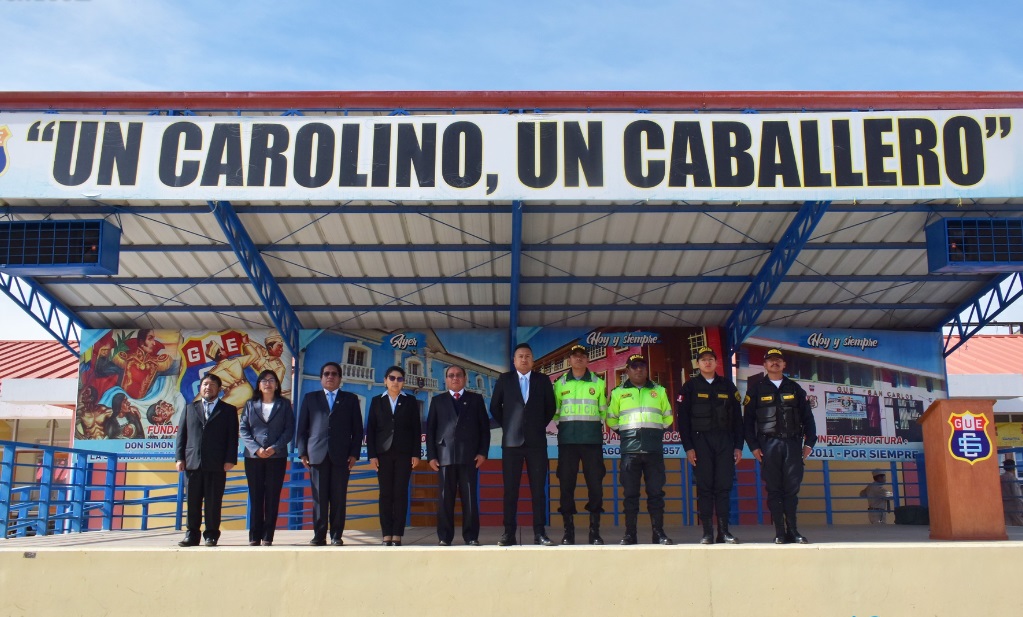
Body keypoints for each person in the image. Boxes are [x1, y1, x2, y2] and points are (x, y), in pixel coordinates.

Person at [743, 348, 817, 544]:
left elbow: (808, 418)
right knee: (774, 489)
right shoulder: (756, 389)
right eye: (770, 360)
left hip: (792, 444)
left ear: (784, 364)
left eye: (778, 360)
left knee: (791, 489)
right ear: (765, 365)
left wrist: (810, 442)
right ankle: (780, 533)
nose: (774, 363)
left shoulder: (795, 389)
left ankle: (793, 531)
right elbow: (747, 422)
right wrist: (753, 446)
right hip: (768, 445)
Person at [490, 343, 557, 546]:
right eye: (520, 356)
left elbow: (550, 408)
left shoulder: (542, 380)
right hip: (511, 444)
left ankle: (540, 533)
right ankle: (508, 534)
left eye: (528, 356)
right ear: (514, 360)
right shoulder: (505, 380)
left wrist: (535, 426)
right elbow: (495, 407)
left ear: (533, 359)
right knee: (511, 490)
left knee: (538, 490)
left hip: (536, 443)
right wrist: (510, 426)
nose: (524, 359)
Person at [677, 346, 743, 544]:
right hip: (700, 442)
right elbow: (683, 421)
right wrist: (688, 447)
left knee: (723, 487)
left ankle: (724, 531)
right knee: (705, 488)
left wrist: (738, 445)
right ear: (698, 364)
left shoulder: (728, 387)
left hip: (724, 441)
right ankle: (707, 532)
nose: (707, 362)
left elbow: (738, 420)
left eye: (711, 359)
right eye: (703, 359)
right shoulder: (689, 387)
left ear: (716, 363)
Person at [607, 354, 675, 545]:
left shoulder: (659, 391)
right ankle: (630, 534)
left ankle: (658, 533)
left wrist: (652, 433)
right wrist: (628, 434)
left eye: (642, 366)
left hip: (653, 450)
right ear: (627, 370)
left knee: (656, 494)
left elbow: (668, 418)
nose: (639, 369)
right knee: (630, 495)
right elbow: (611, 419)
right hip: (630, 451)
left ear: (647, 369)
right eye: (634, 366)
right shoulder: (618, 392)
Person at [296, 362, 364, 546]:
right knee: (319, 499)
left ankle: (336, 535)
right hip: (316, 456)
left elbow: (357, 430)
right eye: (326, 373)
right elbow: (302, 428)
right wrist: (302, 452)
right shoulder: (311, 398)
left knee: (339, 498)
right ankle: (319, 536)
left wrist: (354, 454)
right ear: (321, 378)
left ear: (340, 378)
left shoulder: (350, 399)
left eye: (334, 374)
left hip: (342, 456)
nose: (330, 376)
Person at [426, 364, 491, 546]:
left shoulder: (476, 399)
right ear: (446, 379)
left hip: (469, 457)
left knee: (470, 499)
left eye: (458, 375)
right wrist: (431, 456)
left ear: (465, 378)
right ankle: (444, 537)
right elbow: (430, 430)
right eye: (451, 375)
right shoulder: (438, 401)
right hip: (444, 457)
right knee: (445, 499)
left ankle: (471, 536)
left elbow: (484, 429)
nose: (455, 378)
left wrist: (482, 453)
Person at [552, 344, 607, 545]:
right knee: (566, 486)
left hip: (592, 442)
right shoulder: (560, 384)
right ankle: (569, 532)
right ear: (569, 360)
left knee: (595, 486)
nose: (579, 359)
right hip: (567, 442)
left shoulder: (598, 382)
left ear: (587, 359)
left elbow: (603, 412)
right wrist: (566, 428)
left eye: (582, 356)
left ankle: (595, 532)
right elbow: (555, 412)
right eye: (575, 356)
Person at [175, 374, 238, 547]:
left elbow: (232, 438)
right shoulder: (190, 408)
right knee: (193, 501)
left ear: (219, 389)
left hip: (216, 463)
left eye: (211, 385)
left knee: (213, 501)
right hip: (192, 462)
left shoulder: (228, 410)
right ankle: (192, 535)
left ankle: (211, 535)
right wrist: (179, 458)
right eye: (204, 384)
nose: (207, 387)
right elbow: (182, 436)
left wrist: (230, 459)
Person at [366, 366, 422, 546]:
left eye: (399, 378)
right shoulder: (376, 401)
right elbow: (371, 429)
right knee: (385, 494)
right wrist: (372, 455)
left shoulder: (410, 401)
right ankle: (386, 534)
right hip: (383, 454)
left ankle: (397, 533)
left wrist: (415, 453)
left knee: (400, 493)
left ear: (403, 382)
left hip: (404, 454)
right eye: (392, 378)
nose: (395, 381)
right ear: (385, 380)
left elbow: (416, 429)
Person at [239, 369, 294, 546]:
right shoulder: (250, 404)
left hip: (276, 457)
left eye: (271, 380)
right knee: (256, 496)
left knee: (272, 496)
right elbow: (243, 429)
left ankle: (268, 536)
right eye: (264, 380)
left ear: (276, 385)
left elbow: (289, 430)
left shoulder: (284, 404)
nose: (267, 383)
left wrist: (275, 448)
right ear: (259, 385)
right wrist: (256, 449)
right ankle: (254, 536)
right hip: (254, 457)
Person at [1000, 459, 1023, 526]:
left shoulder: (1000, 478)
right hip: (1014, 504)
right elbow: (1016, 493)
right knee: (1019, 523)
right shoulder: (1012, 478)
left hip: (1004, 504)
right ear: (1013, 467)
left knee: (1008, 525)